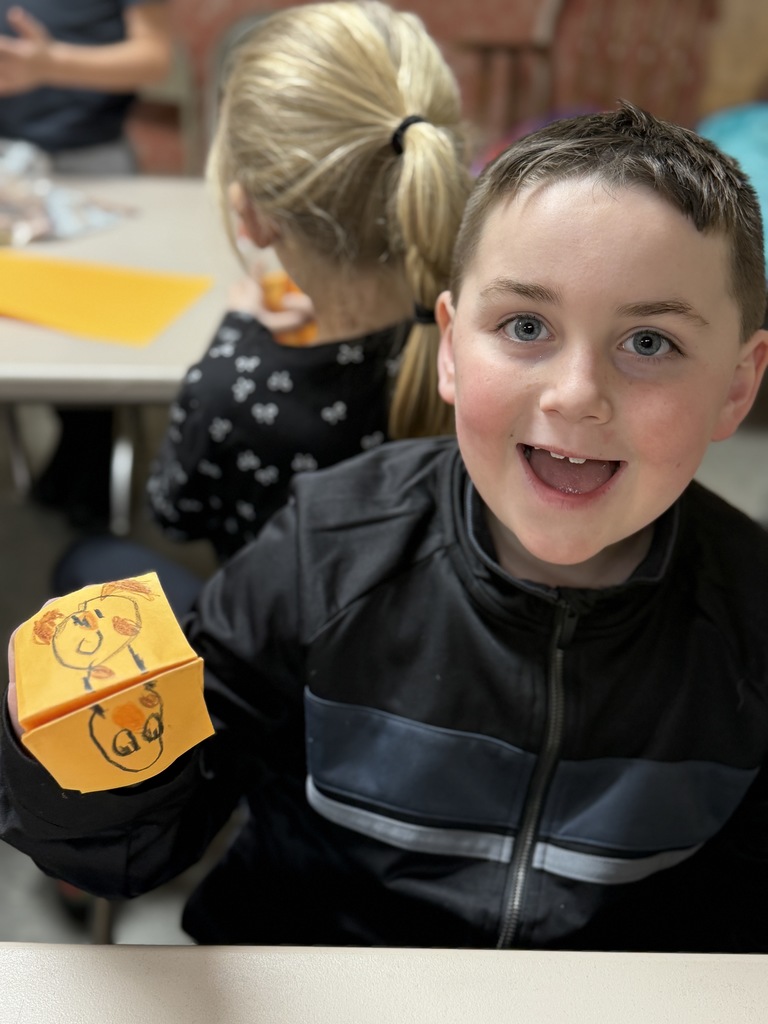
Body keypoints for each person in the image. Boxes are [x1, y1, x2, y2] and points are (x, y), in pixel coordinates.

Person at [4, 101, 768, 952]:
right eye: (526, 327)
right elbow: (139, 848)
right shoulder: (324, 547)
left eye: (651, 343)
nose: (575, 394)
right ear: (449, 349)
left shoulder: (752, 619)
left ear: (737, 385)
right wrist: (83, 767)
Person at [53, 0, 469, 611]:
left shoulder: (235, 384)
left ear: (251, 216)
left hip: (275, 659)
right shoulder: (490, 344)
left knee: (83, 561)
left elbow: (175, 514)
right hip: (426, 647)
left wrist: (237, 333)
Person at [0, 1, 172, 531]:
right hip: (7, 165)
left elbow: (156, 57)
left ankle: (87, 469)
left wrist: (52, 65)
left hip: (94, 168)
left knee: (89, 331)